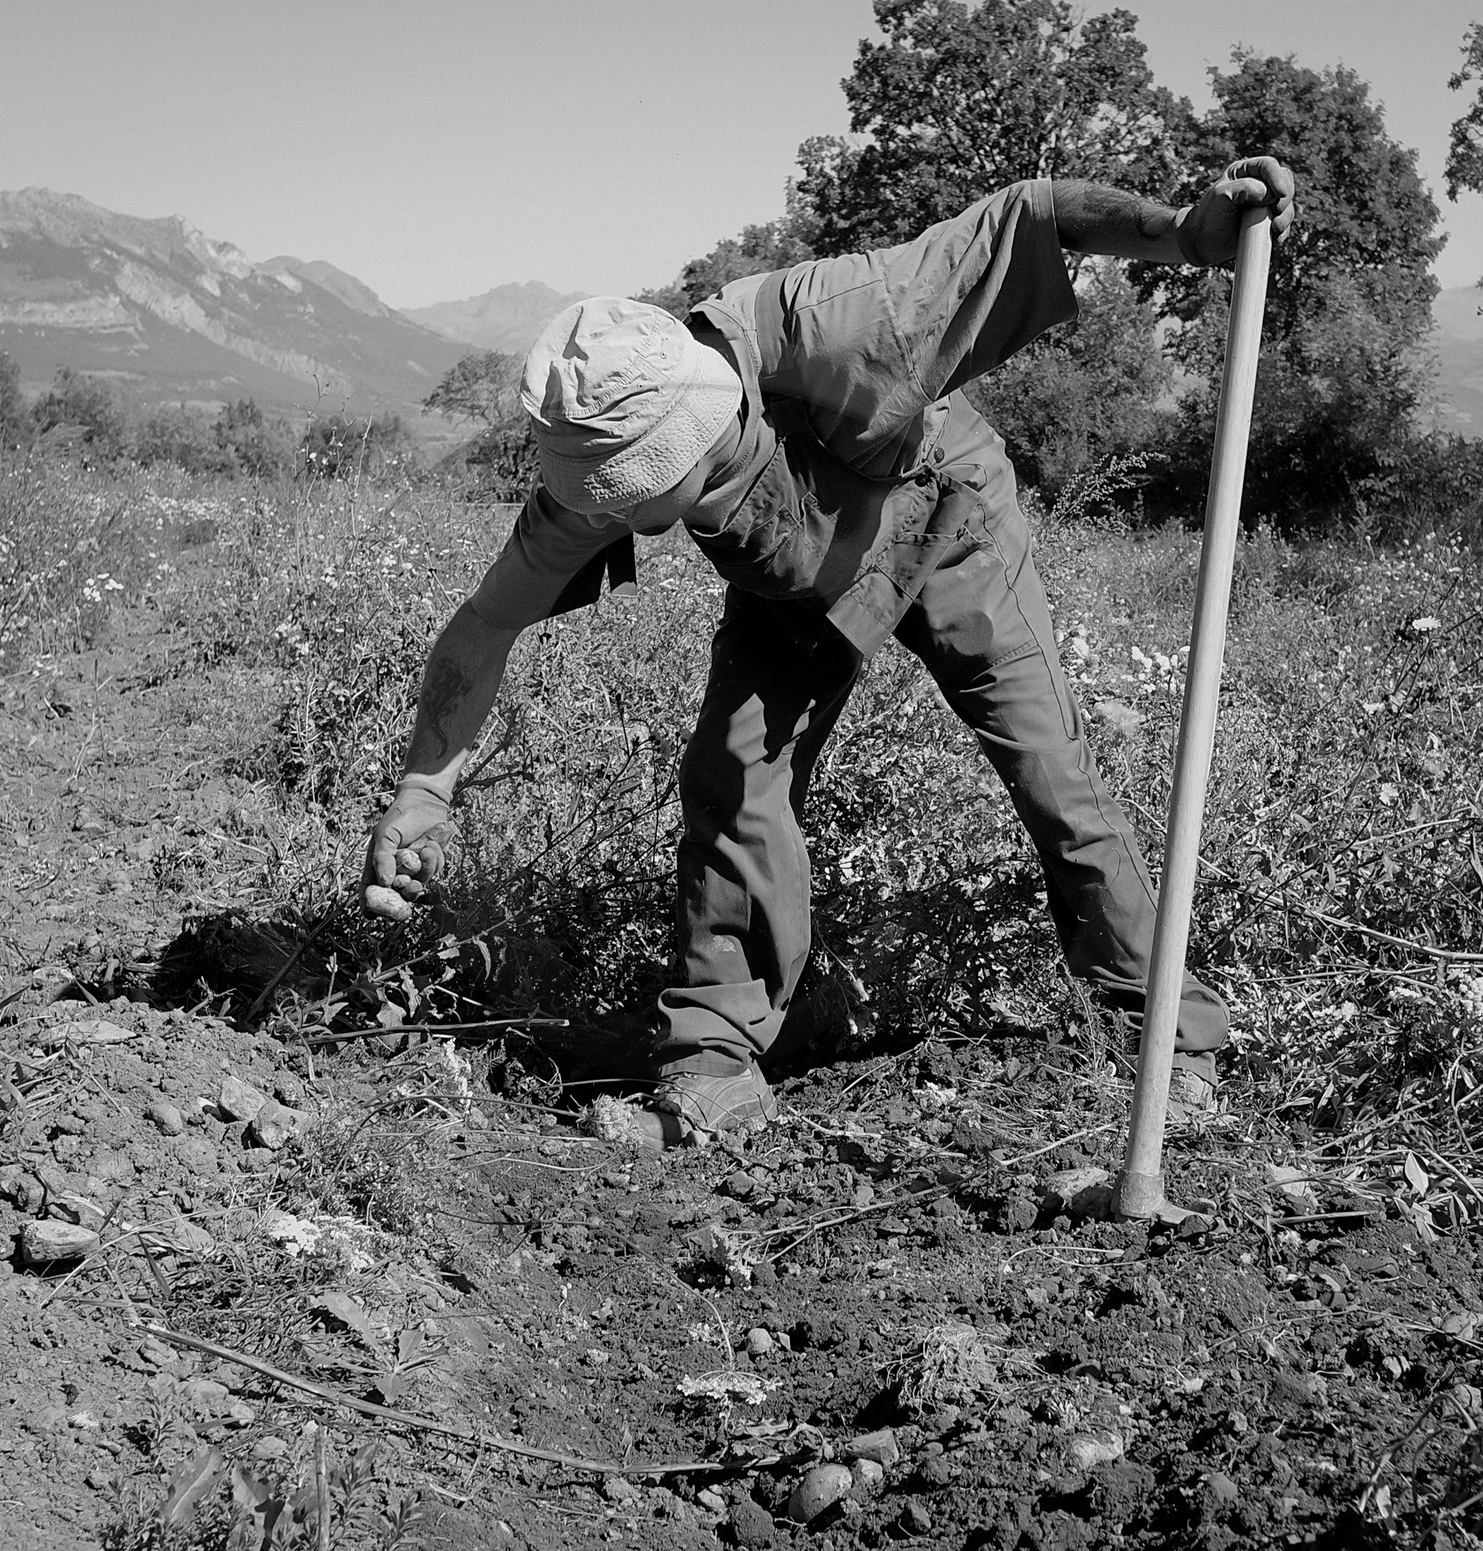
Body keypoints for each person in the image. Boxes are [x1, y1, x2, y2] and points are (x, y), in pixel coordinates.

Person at [363, 158, 1296, 1149]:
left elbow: (1037, 212)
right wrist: (423, 791)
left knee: (1048, 769)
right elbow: (481, 627)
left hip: (947, 520)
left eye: (631, 489)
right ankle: (714, 1060)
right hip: (799, 586)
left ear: (692, 428)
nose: (612, 512)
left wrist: (1185, 235)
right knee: (732, 775)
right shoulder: (592, 481)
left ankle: (1168, 1043)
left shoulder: (847, 321)